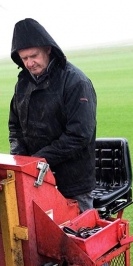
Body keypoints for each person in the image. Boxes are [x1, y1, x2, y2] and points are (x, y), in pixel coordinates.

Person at [8, 18, 97, 213]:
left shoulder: (76, 82)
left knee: (76, 238)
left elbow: (79, 135)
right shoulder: (22, 84)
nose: (30, 63)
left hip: (73, 182)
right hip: (36, 178)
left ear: (48, 49)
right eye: (24, 59)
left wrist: (37, 160)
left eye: (34, 56)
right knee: (39, 237)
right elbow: (15, 127)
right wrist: (21, 160)